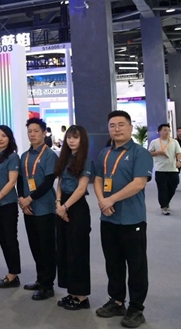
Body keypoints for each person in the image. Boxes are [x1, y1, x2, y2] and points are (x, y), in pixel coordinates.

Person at [94, 110, 152, 328]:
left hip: (132, 219)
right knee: (113, 263)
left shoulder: (140, 153)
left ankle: (136, 308)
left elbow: (139, 183)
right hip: (108, 219)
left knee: (136, 266)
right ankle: (117, 301)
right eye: (112, 125)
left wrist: (111, 199)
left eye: (121, 124)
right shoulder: (105, 153)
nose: (116, 129)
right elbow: (98, 178)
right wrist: (103, 201)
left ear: (130, 127)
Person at [18, 117, 58, 301]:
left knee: (46, 247)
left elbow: (48, 182)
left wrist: (29, 199)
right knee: (35, 245)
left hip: (44, 207)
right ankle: (40, 279)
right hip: (28, 208)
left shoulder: (49, 155)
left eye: (36, 131)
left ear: (44, 133)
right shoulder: (24, 156)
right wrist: (22, 199)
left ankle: (48, 285)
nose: (32, 134)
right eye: (30, 131)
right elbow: (20, 180)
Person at [54, 125, 93, 310]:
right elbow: (60, 182)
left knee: (78, 251)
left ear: (82, 139)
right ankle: (72, 292)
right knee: (65, 250)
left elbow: (81, 188)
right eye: (69, 137)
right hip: (62, 205)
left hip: (76, 207)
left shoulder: (86, 160)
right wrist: (58, 203)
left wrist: (65, 207)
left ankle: (82, 297)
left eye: (75, 137)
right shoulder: (65, 158)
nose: (71, 140)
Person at [0, 125, 22, 289]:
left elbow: (12, 181)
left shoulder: (13, 157)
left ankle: (13, 274)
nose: (0, 139)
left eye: (3, 136)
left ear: (9, 138)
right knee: (2, 239)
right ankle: (11, 272)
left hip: (7, 203)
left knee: (10, 239)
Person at [148, 123, 181, 215]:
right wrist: (157, 153)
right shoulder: (154, 142)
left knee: (173, 187)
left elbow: (178, 152)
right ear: (159, 131)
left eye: (168, 130)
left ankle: (166, 202)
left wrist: (179, 161)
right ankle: (164, 206)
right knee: (162, 189)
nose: (167, 132)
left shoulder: (174, 142)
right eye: (165, 130)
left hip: (173, 169)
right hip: (160, 170)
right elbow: (149, 153)